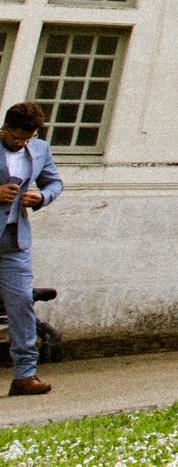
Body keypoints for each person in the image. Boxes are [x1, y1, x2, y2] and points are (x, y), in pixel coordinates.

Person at [0, 105, 63, 398]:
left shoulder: (39, 149)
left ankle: (25, 375)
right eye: (17, 138)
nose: (22, 143)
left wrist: (41, 197)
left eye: (29, 138)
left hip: (15, 240)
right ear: (6, 127)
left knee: (23, 301)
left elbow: (54, 183)